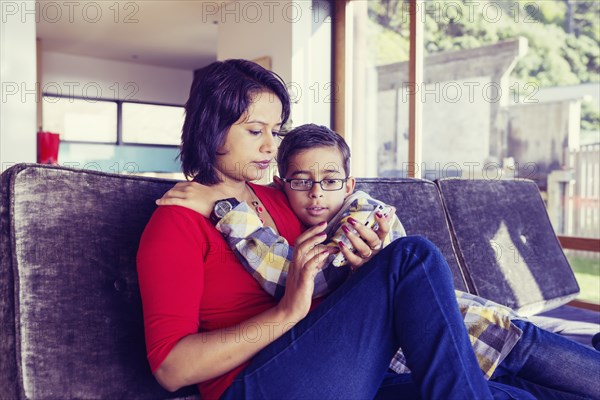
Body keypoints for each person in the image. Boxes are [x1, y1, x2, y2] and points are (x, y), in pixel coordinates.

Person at [137, 59, 599, 400]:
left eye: (275, 131)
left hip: (344, 364)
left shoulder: (282, 197)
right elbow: (173, 370)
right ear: (212, 127)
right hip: (259, 384)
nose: (268, 146)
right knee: (411, 256)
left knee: (522, 394)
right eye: (254, 130)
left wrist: (368, 250)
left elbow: (346, 214)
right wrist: (285, 314)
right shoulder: (177, 220)